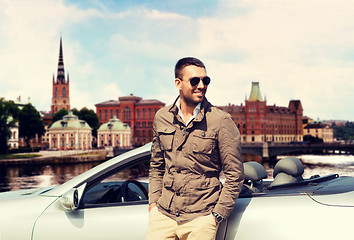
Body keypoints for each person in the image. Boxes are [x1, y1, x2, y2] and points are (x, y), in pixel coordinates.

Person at [146, 57, 244, 240]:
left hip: (201, 219)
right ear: (178, 83)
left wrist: (216, 216)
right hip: (163, 216)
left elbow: (235, 174)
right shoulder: (162, 117)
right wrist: (153, 204)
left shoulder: (221, 121)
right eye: (194, 80)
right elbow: (156, 166)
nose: (201, 85)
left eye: (205, 80)